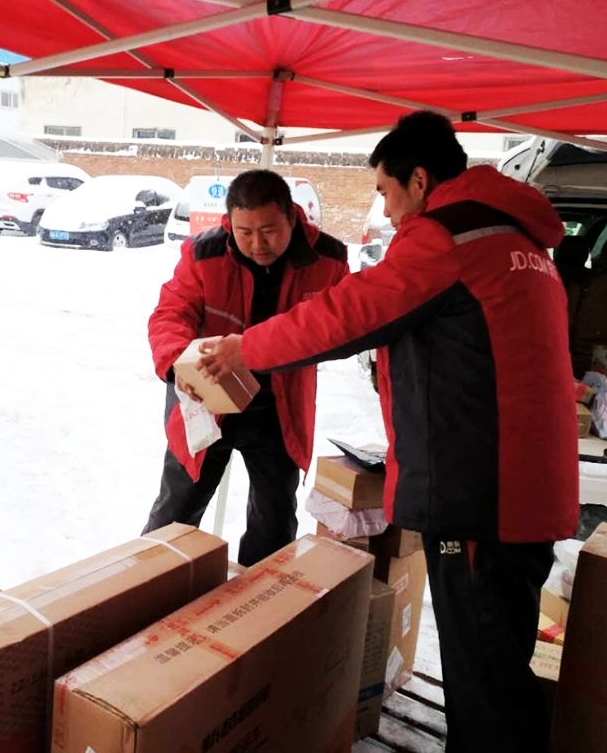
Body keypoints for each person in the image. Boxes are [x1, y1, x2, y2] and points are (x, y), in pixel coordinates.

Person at [199, 112, 579, 751]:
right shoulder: (521, 241)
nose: (386, 209)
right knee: (502, 661)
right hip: (531, 488)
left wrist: (246, 348)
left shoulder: (446, 236)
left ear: (420, 180)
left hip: (481, 493)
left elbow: (347, 314)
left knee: (482, 678)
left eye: (385, 191)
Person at [143, 169, 348, 566]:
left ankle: (258, 601)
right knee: (176, 512)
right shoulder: (205, 254)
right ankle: (149, 586)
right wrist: (178, 364)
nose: (258, 244)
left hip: (278, 409)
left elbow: (338, 329)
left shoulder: (328, 261)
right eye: (245, 232)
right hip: (206, 401)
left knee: (274, 522)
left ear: (292, 216)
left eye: (269, 230)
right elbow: (170, 313)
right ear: (230, 223)